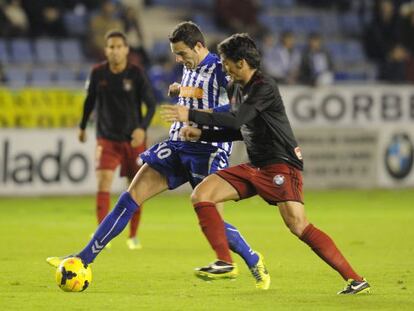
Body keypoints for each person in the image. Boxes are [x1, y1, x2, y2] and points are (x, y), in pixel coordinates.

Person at [47, 22, 271, 290]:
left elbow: (238, 107)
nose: (178, 59)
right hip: (177, 144)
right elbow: (199, 94)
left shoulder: (220, 67)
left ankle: (252, 258)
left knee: (210, 216)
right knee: (129, 198)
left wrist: (200, 116)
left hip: (207, 149)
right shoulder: (188, 68)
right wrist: (185, 92)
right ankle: (82, 259)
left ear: (199, 46)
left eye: (182, 53)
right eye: (175, 54)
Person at [161, 33, 371, 294]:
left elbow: (237, 120)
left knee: (297, 225)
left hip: (281, 164)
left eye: (226, 62)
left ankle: (355, 278)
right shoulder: (236, 87)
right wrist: (204, 134)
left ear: (241, 62)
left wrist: (191, 115)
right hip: (256, 166)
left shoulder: (264, 86)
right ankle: (225, 261)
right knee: (202, 195)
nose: (223, 67)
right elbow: (241, 130)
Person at [78, 30, 156, 250]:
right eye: (110, 47)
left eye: (118, 46)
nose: (114, 51)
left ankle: (133, 235)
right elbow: (89, 101)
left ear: (126, 50)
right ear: (106, 50)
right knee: (103, 182)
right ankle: (102, 234)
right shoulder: (97, 73)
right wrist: (83, 126)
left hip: (133, 140)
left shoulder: (136, 74)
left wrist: (142, 129)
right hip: (107, 139)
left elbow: (151, 105)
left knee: (136, 187)